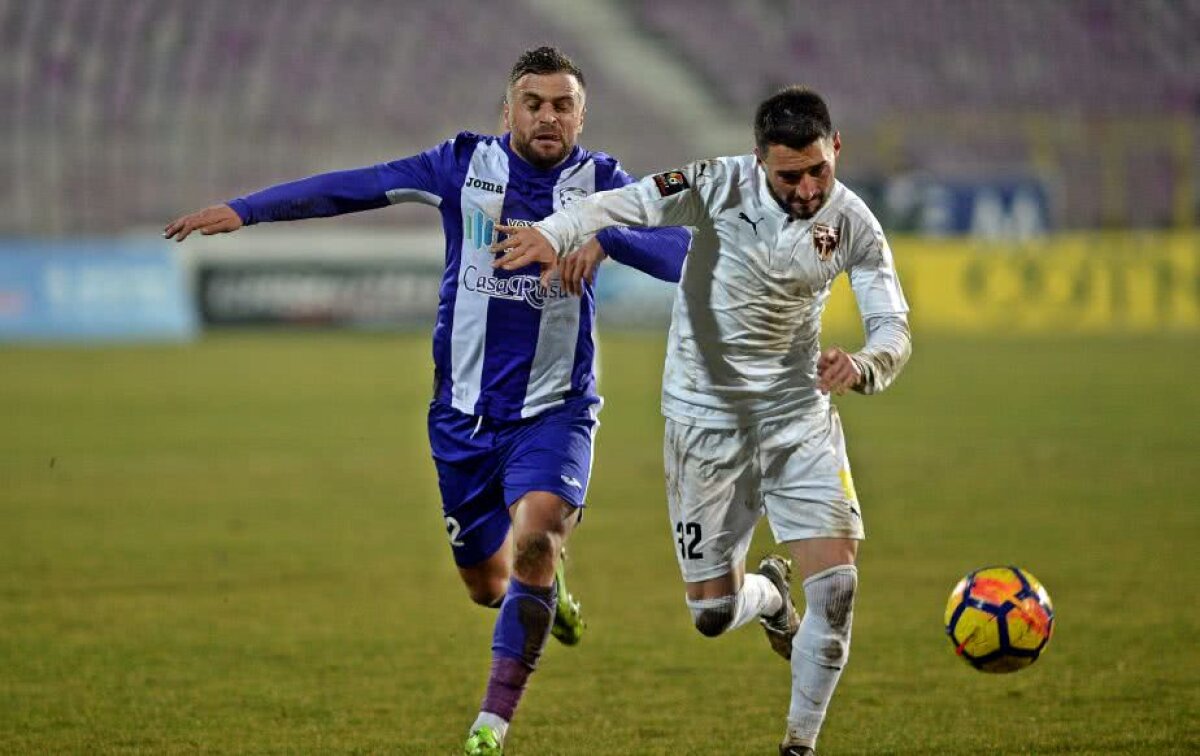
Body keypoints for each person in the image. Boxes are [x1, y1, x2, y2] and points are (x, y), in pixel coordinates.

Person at [163, 47, 690, 756]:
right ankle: (543, 594)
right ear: (507, 111)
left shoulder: (604, 186)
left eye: (562, 104)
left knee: (536, 537)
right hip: (462, 419)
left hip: (554, 411)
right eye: (532, 102)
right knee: (487, 586)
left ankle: (490, 726)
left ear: (582, 115)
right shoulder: (461, 166)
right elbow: (356, 186)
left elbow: (686, 257)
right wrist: (247, 210)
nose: (547, 116)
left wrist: (605, 233)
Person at [493, 86, 912, 755]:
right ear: (758, 162)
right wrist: (555, 231)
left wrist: (865, 365)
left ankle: (799, 745)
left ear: (836, 149)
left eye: (817, 171)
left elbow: (893, 324)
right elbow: (617, 205)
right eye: (788, 175)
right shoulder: (713, 183)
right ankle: (769, 597)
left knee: (836, 589)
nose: (806, 188)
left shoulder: (855, 223)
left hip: (796, 416)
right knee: (712, 613)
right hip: (703, 426)